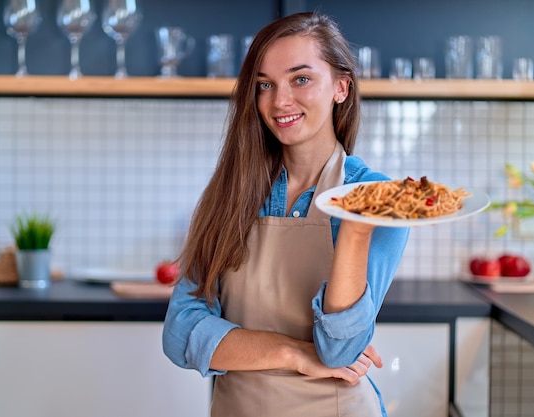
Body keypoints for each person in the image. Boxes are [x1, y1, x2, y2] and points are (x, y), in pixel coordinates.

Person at [162, 11, 409, 417]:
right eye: (265, 85)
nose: (279, 101)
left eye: (301, 79)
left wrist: (356, 230)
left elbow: (339, 350)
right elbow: (179, 332)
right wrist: (292, 352)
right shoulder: (229, 194)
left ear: (341, 87)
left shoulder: (376, 196)